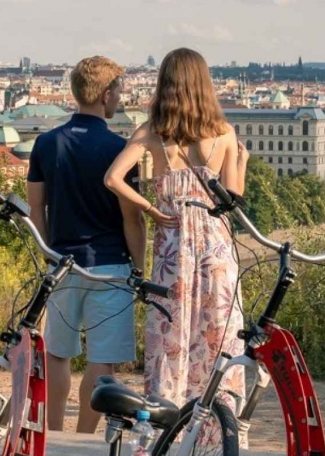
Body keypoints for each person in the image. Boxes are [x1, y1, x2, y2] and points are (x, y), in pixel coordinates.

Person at [104, 47, 249, 418]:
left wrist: (152, 209)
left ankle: (166, 420)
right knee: (218, 335)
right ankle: (218, 425)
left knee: (171, 335)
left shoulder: (154, 131)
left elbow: (112, 179)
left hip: (174, 245)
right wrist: (242, 161)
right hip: (217, 246)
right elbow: (233, 198)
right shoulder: (224, 133)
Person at [26, 55, 147, 433]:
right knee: (102, 362)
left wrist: (50, 255)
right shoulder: (119, 148)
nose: (120, 100)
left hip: (61, 263)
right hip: (110, 265)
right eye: (119, 92)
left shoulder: (46, 144)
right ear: (106, 94)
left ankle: (54, 436)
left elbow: (36, 209)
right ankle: (83, 441)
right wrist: (139, 267)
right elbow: (132, 217)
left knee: (59, 354)